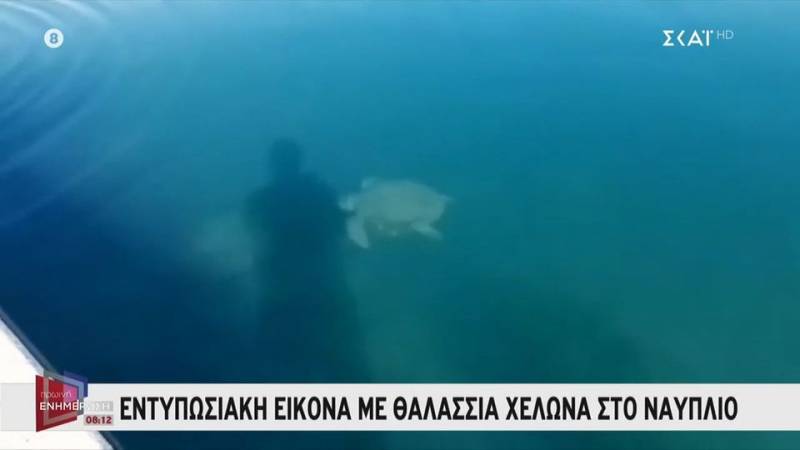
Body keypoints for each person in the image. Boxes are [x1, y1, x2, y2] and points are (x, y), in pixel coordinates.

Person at [244, 139, 365, 382]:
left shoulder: (261, 200)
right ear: (299, 161)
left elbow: (253, 226)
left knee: (275, 367)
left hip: (283, 292)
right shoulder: (320, 194)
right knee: (343, 363)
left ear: (273, 164)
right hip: (322, 290)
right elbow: (341, 230)